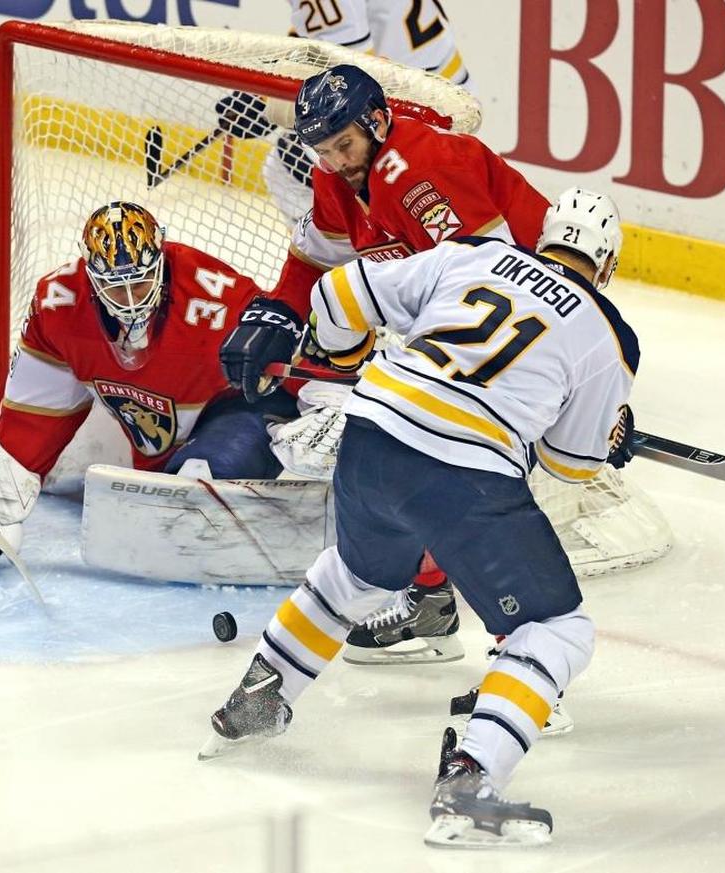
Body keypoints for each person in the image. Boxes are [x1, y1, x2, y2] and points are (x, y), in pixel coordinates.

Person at [198, 187, 636, 848]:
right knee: (555, 626)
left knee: (356, 574)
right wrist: (606, 434)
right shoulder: (607, 331)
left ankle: (255, 700)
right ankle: (469, 782)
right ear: (606, 267)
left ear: (541, 238)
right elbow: (570, 465)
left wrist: (345, 359)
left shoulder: (473, 256)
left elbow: (339, 293)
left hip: (370, 435)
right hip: (464, 473)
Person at [218, 62, 551, 663]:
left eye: (344, 144)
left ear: (377, 121)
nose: (336, 160)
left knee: (471, 481)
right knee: (414, 459)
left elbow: (497, 280)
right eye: (322, 150)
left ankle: (526, 655)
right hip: (466, 328)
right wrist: (278, 314)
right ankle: (432, 599)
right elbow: (314, 261)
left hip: (538, 314)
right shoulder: (335, 180)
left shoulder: (426, 170)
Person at [0, 201, 297, 566]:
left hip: (231, 407)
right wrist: (0, 499)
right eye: (116, 287)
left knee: (194, 491)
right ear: (90, 274)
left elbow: (287, 350)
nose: (132, 300)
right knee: (96, 482)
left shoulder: (217, 297)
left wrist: (327, 407)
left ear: (161, 261)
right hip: (150, 434)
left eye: (142, 281)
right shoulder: (59, 306)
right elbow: (33, 420)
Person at [262, 0, 474, 223]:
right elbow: (319, 42)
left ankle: (372, 248)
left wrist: (280, 107)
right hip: (447, 100)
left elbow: (347, 80)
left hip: (415, 120)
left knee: (286, 171)